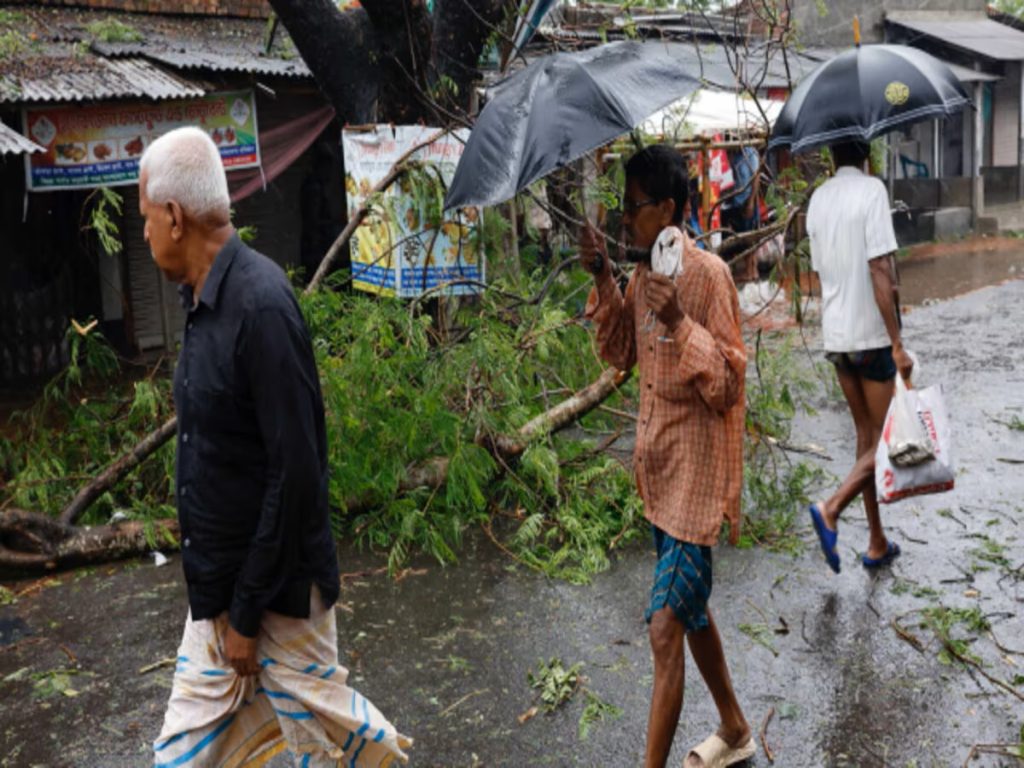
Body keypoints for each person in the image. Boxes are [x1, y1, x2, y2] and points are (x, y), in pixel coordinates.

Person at [141, 127, 411, 767]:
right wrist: (223, 607)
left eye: (146, 217)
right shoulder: (202, 300)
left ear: (175, 218)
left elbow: (296, 474)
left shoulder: (260, 307)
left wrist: (246, 610)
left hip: (276, 604)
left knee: (322, 751)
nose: (145, 232)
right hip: (219, 603)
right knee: (180, 759)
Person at [581, 145, 754, 768]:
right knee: (690, 608)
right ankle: (734, 728)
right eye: (623, 208)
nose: (626, 219)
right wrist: (604, 276)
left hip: (698, 488)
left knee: (664, 628)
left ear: (672, 211)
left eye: (635, 207)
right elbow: (623, 354)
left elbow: (730, 386)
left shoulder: (708, 278)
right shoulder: (637, 279)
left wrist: (680, 319)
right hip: (658, 482)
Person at [805, 140, 913, 574]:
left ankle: (875, 540)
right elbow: (878, 269)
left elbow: (825, 270)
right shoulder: (872, 192)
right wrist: (897, 343)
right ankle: (831, 509)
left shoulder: (818, 199)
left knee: (866, 440)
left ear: (832, 157)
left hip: (837, 338)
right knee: (886, 441)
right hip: (869, 337)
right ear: (867, 154)